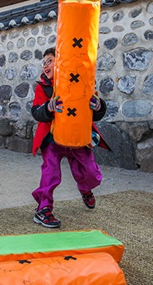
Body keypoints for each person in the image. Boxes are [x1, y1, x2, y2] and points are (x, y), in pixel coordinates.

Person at [31, 47, 110, 228]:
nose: (45, 65)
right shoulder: (42, 87)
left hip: (78, 135)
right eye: (44, 62)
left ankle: (85, 189)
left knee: (89, 171)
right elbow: (36, 111)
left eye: (49, 60)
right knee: (50, 173)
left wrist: (98, 105)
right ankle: (43, 209)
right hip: (53, 138)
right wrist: (48, 108)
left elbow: (94, 110)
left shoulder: (80, 81)